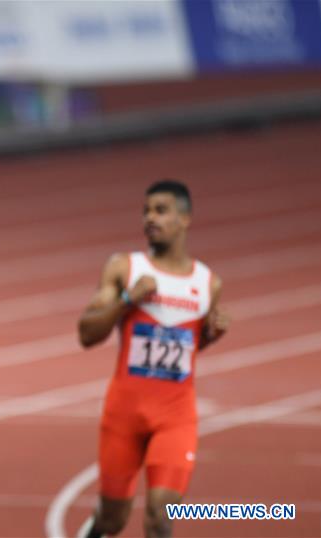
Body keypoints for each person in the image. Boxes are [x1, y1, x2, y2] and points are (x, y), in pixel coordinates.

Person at [77, 180, 229, 537]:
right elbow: (86, 333)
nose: (150, 218)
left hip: (175, 416)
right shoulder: (125, 269)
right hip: (124, 415)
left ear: (185, 219)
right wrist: (129, 298)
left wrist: (210, 336)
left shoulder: (208, 283)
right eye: (146, 211)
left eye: (160, 210)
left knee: (161, 517)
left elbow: (187, 351)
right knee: (112, 521)